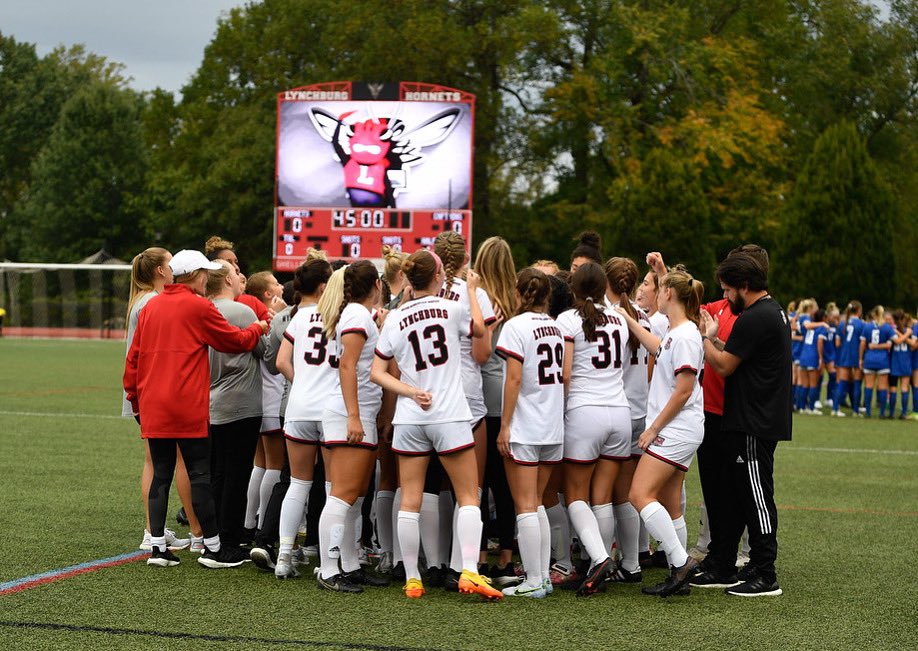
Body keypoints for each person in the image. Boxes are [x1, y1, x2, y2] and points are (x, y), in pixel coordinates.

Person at [123, 249, 268, 568]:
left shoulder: (151, 305)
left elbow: (133, 360)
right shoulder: (198, 305)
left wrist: (136, 402)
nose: (207, 278)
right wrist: (260, 326)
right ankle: (214, 548)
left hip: (153, 404)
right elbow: (235, 341)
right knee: (200, 473)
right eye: (204, 273)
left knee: (161, 474)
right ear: (195, 275)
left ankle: (158, 548)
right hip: (187, 404)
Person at [371, 250, 501, 601]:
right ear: (439, 276)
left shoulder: (396, 317)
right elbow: (478, 331)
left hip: (412, 416)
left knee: (410, 500)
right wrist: (472, 290)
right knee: (468, 496)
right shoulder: (452, 307)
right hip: (450, 414)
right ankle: (470, 570)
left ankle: (413, 578)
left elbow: (377, 373)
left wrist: (411, 391)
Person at [699, 252, 792, 597]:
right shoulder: (770, 311)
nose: (725, 298)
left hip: (754, 421)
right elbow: (739, 352)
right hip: (756, 418)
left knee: (757, 497)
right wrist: (717, 340)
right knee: (745, 495)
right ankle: (751, 565)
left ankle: (766, 573)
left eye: (727, 291)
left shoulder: (754, 317)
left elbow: (723, 366)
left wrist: (705, 338)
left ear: (744, 286)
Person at [615, 269, 705, 597]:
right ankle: (676, 573)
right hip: (684, 428)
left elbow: (683, 390)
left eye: (661, 289)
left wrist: (653, 429)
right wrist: (629, 319)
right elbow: (657, 347)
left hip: (676, 429)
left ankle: (681, 564)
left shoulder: (684, 335)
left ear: (669, 294)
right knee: (670, 503)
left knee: (639, 495)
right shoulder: (678, 331)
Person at [555, 263, 631, 595]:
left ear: (573, 287)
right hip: (620, 410)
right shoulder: (619, 318)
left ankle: (598, 559)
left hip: (585, 411)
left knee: (575, 495)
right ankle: (599, 565)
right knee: (602, 498)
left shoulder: (567, 319)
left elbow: (567, 374)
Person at [316, 261, 388, 593]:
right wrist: (354, 416)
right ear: (375, 283)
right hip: (348, 413)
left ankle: (349, 564)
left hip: (352, 411)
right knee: (343, 494)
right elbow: (348, 364)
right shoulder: (358, 315)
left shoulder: (358, 314)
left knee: (354, 496)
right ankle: (329, 569)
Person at [123, 248, 199, 553]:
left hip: (144, 390)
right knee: (173, 460)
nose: (173, 269)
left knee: (153, 460)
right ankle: (195, 531)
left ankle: (151, 530)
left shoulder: (141, 301)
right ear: (159, 271)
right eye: (170, 264)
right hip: (154, 390)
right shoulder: (153, 302)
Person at [273, 256, 335, 578]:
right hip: (330, 410)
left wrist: (304, 383)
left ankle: (284, 555)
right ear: (324, 285)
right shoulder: (338, 316)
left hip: (298, 408)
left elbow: (282, 362)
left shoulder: (298, 317)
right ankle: (329, 560)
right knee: (331, 487)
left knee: (298, 483)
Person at [206, 260, 266, 552]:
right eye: (234, 273)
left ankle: (213, 537)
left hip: (213, 401)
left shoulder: (203, 311)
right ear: (227, 281)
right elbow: (263, 350)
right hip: (242, 401)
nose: (239, 275)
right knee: (237, 474)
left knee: (217, 473)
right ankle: (229, 540)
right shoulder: (242, 311)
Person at [603, 256, 652, 584]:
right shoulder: (645, 318)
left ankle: (611, 561)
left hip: (614, 408)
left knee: (608, 493)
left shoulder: (607, 317)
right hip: (640, 410)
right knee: (629, 490)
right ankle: (632, 561)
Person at [475, 237, 519, 584]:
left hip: (482, 393)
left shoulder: (477, 298)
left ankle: (479, 556)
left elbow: (480, 352)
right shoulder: (517, 299)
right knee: (504, 483)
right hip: (511, 396)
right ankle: (506, 558)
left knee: (480, 482)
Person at [243, 271, 288, 538]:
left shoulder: (263, 320)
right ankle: (261, 525)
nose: (281, 286)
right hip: (271, 402)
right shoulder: (272, 322)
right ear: (268, 295)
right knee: (273, 465)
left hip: (262, 400)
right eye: (276, 284)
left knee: (261, 464)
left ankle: (251, 522)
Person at [833, 301, 865, 416]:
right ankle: (855, 411)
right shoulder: (861, 324)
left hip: (844, 355)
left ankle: (835, 409)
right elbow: (863, 343)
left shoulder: (842, 324)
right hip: (856, 355)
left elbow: (837, 343)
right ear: (859, 311)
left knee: (842, 383)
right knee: (857, 383)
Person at [861, 305, 893, 418]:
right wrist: (879, 346)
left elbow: (862, 344)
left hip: (869, 358)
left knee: (869, 386)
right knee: (882, 387)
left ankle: (868, 412)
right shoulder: (887, 327)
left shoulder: (867, 327)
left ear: (874, 314)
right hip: (883, 360)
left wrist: (861, 358)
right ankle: (882, 413)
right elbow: (889, 344)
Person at [888, 309, 912, 420]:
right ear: (903, 319)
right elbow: (912, 345)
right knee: (904, 387)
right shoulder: (908, 331)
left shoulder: (892, 330)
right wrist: (906, 334)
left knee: (893, 387)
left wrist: (898, 333)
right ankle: (903, 413)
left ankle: (892, 413)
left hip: (894, 362)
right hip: (905, 361)